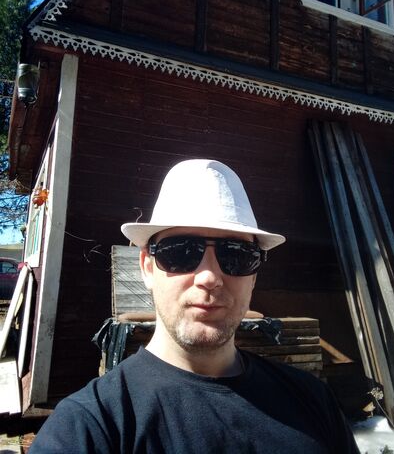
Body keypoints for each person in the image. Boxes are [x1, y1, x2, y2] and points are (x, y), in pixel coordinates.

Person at [30, 159, 360, 453]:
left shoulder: (313, 400)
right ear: (147, 267)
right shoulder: (90, 428)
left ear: (254, 275)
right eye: (180, 252)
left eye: (236, 255)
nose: (209, 277)